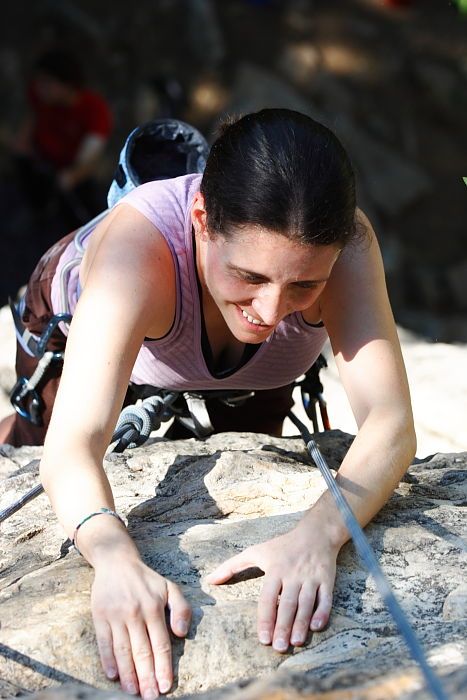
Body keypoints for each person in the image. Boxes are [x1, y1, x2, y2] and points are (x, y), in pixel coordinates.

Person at [0, 109, 416, 699]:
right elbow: (75, 444)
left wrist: (320, 535)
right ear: (201, 219)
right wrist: (114, 558)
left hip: (248, 373)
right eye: (251, 275)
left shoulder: (347, 245)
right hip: (72, 326)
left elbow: (392, 423)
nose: (272, 314)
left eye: (305, 286)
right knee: (29, 448)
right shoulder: (137, 249)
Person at [13, 48, 112, 228]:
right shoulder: (40, 98)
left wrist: (71, 177)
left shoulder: (94, 109)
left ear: (67, 85)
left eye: (47, 83)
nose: (40, 88)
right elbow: (30, 124)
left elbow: (90, 159)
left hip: (72, 173)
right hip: (43, 163)